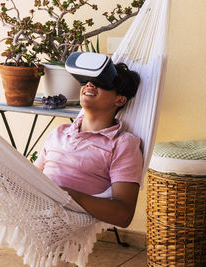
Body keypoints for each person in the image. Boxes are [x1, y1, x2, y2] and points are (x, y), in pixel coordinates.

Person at [34, 62, 142, 228]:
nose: (90, 84)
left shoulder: (122, 144)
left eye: (102, 83)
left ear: (119, 100)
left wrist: (66, 196)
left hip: (66, 217)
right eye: (87, 80)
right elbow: (31, 176)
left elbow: (123, 214)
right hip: (32, 205)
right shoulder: (59, 132)